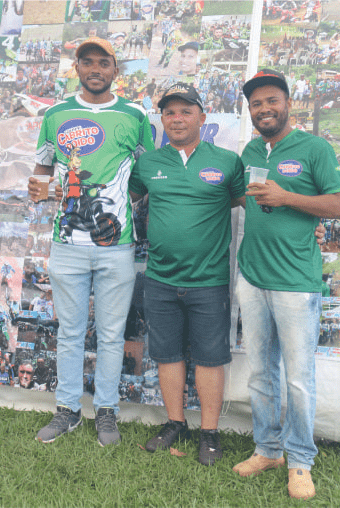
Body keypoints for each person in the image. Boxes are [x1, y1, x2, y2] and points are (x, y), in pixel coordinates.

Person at [28, 38, 154, 447]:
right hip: (67, 244)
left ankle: (106, 411)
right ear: (77, 68)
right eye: (87, 62)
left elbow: (146, 173)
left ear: (116, 69)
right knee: (70, 332)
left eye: (103, 62)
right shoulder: (56, 114)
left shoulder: (134, 114)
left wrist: (119, 204)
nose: (95, 69)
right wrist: (40, 188)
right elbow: (42, 170)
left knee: (112, 335)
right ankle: (67, 410)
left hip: (117, 247)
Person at [233, 69, 340, 500]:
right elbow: (239, 196)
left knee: (299, 379)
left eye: (271, 101)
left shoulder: (314, 148)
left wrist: (288, 199)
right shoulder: (249, 150)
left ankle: (300, 460)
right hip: (252, 278)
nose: (264, 109)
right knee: (260, 373)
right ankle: (267, 450)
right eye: (256, 104)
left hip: (296, 283)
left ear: (288, 104)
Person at [128, 83, 245, 465]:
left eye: (185, 111)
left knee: (210, 358)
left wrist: (309, 227)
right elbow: (121, 199)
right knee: (167, 355)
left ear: (202, 117)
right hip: (160, 278)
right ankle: (175, 423)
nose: (177, 118)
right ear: (162, 118)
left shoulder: (227, 161)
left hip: (209, 281)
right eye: (170, 112)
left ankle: (209, 433)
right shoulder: (148, 163)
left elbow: (251, 204)